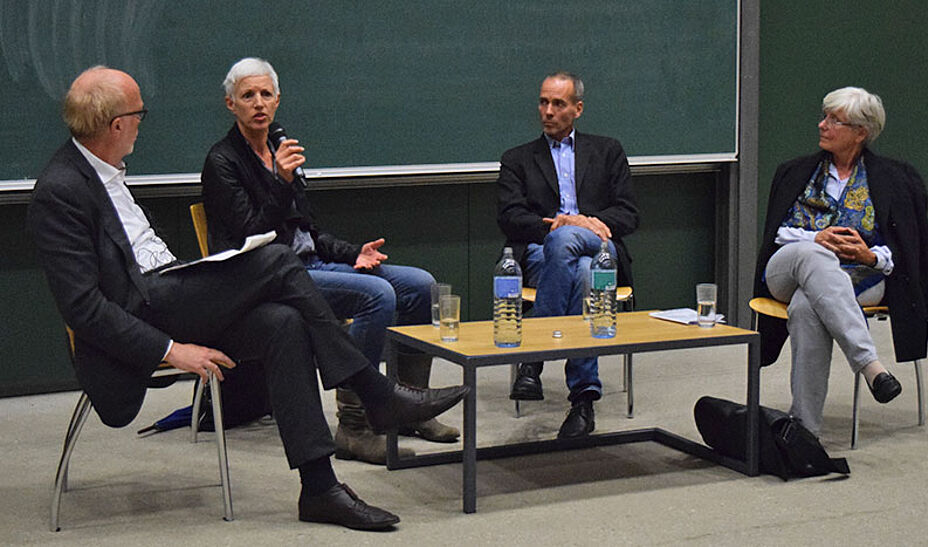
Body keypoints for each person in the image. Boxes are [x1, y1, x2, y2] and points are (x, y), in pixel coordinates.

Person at [27, 66, 468, 530]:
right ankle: (374, 393)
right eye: (139, 114)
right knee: (277, 260)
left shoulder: (107, 172)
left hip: (169, 288)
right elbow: (83, 308)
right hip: (144, 313)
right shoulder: (61, 191)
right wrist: (171, 350)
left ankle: (320, 489)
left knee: (284, 324)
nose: (142, 122)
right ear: (116, 125)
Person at [200, 58, 458, 466]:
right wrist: (281, 183)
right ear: (230, 104)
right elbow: (254, 236)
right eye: (248, 95)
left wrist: (353, 252)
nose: (258, 103)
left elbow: (309, 233)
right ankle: (354, 426)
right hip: (265, 276)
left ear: (278, 100)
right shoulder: (222, 162)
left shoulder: (280, 149)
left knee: (419, 284)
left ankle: (409, 410)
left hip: (310, 265)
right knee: (376, 296)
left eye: (266, 94)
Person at [754, 86, 928, 435]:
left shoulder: (895, 179)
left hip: (862, 276)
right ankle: (869, 364)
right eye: (824, 116)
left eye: (833, 120)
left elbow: (905, 251)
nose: (822, 125)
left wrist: (869, 255)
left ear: (861, 132)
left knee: (806, 308)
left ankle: (804, 430)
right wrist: (816, 238)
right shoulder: (794, 172)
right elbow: (777, 234)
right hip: (788, 269)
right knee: (814, 254)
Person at [496, 71, 638, 438]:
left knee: (573, 247)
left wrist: (585, 223)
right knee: (585, 273)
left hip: (599, 241)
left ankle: (532, 362)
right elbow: (509, 216)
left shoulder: (608, 151)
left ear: (578, 109)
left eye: (558, 104)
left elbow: (629, 212)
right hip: (544, 250)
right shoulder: (517, 159)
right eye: (543, 102)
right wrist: (558, 226)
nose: (547, 111)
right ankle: (584, 399)